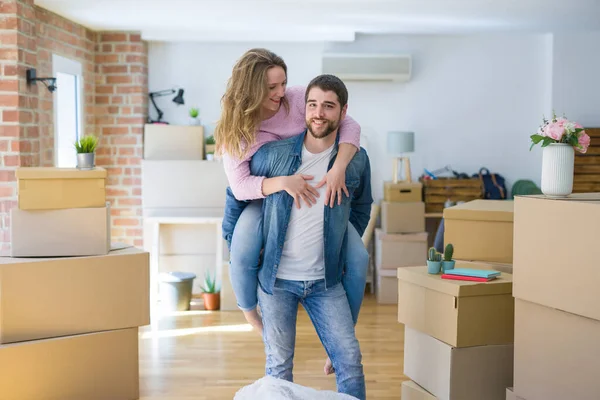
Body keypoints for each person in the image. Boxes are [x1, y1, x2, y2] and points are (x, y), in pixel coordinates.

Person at [215, 48, 370, 373]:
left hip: (293, 187)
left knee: (358, 258)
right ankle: (251, 317)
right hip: (258, 196)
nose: (280, 93)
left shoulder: (297, 98)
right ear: (251, 89)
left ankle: (342, 340)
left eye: (282, 83)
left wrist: (340, 166)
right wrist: (283, 182)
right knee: (242, 247)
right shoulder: (235, 127)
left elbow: (350, 124)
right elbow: (241, 186)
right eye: (271, 87)